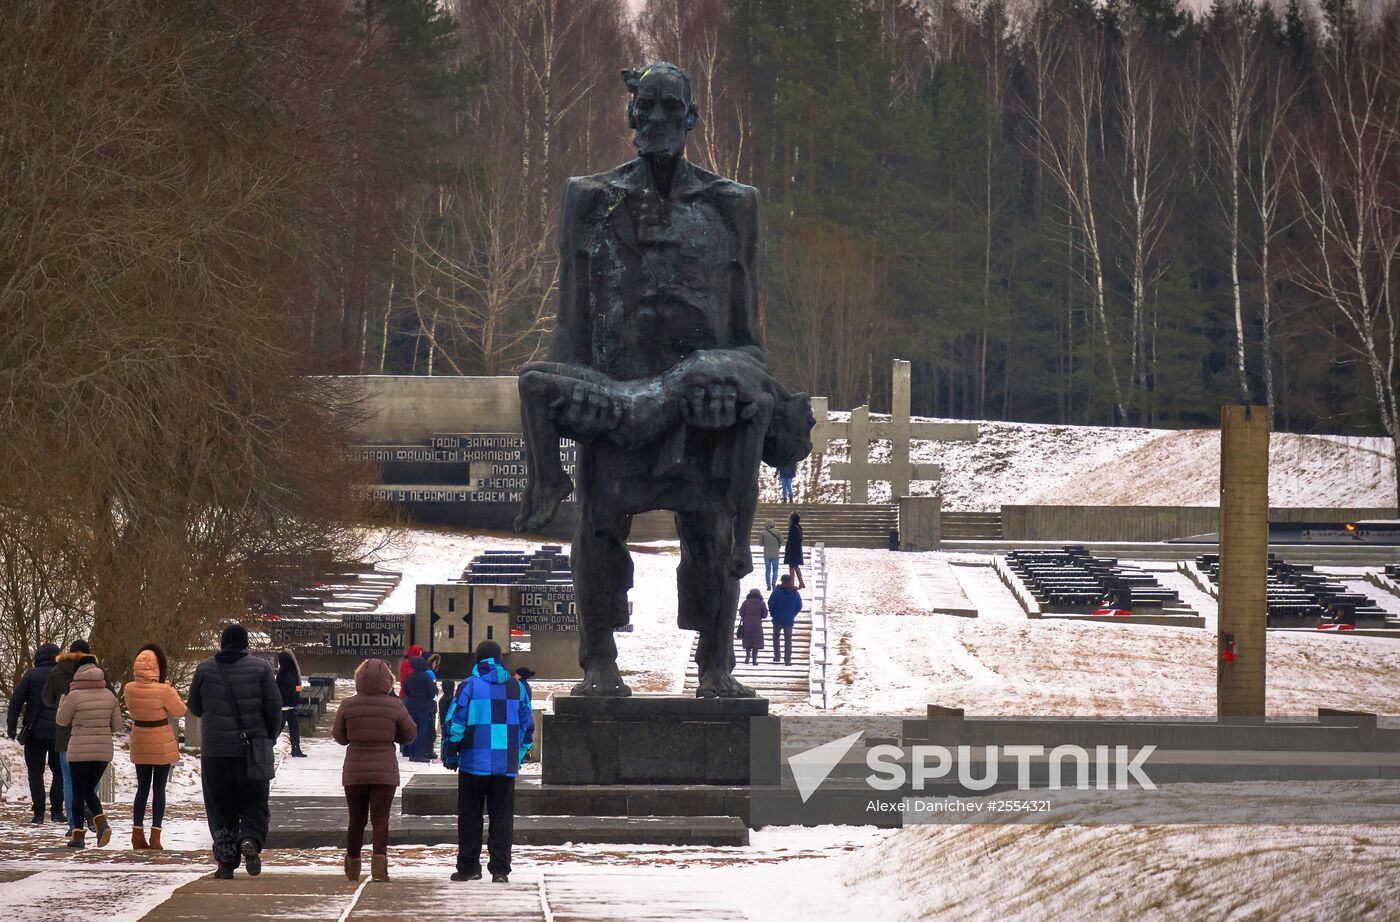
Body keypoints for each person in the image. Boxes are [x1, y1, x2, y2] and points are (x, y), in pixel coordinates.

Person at [188, 623, 281, 879]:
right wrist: (267, 739)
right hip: (252, 750)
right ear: (246, 643)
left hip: (215, 752)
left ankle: (226, 863)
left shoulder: (205, 668)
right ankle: (250, 838)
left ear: (222, 643)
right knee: (255, 801)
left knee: (220, 806)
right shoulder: (261, 669)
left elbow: (195, 706)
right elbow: (274, 710)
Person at [444, 640, 534, 884]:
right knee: (502, 817)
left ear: (478, 659)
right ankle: (500, 869)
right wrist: (517, 755)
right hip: (505, 765)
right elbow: (527, 727)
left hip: (474, 762)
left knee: (470, 816)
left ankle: (468, 867)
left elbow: (455, 723)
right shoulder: (517, 687)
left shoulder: (469, 686)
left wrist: (451, 752)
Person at [332, 658, 417, 883]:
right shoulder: (394, 705)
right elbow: (409, 734)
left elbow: (340, 737)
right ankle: (379, 866)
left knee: (355, 820)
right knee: (380, 820)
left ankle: (352, 866)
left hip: (354, 771)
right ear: (388, 681)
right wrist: (390, 736)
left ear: (358, 678)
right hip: (384, 771)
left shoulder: (347, 705)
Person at [43, 639, 110, 838]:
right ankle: (90, 809)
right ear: (89, 654)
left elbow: (46, 699)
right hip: (95, 735)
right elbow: (111, 699)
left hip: (66, 736)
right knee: (90, 783)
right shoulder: (100, 673)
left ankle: (74, 825)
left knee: (69, 782)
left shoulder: (56, 672)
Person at [123, 645, 187, 850]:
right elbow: (180, 711)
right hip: (161, 741)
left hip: (140, 739)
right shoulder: (164, 690)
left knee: (142, 788)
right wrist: (169, 688)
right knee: (159, 789)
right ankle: (156, 836)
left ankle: (136, 833)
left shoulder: (128, 688)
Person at [55, 660, 123, 848]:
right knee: (88, 789)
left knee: (79, 792)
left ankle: (78, 836)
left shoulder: (73, 695)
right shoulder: (110, 695)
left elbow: (62, 721)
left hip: (79, 750)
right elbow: (118, 725)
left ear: (78, 674)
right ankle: (101, 825)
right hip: (103, 751)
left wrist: (62, 702)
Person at [6, 643, 63, 824]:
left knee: (35, 773)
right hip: (59, 733)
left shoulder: (30, 675)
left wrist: (11, 726)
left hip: (34, 732)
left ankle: (38, 813)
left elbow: (16, 701)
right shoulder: (64, 676)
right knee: (59, 772)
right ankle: (56, 811)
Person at [400, 654, 437, 763]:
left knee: (412, 729)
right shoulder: (426, 677)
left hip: (411, 706)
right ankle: (419, 753)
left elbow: (405, 691)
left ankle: (410, 752)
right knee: (422, 730)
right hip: (423, 706)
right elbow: (432, 692)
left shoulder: (408, 677)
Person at [275, 651, 307, 757]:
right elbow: (289, 690)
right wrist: (297, 693)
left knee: (293, 727)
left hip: (288, 706)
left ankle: (296, 749)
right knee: (279, 729)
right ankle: (267, 747)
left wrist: (298, 690)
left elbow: (294, 688)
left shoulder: (284, 672)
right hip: (285, 706)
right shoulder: (287, 673)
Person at [767, 574, 803, 667]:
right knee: (788, 640)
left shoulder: (777, 591)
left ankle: (777, 656)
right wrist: (793, 614)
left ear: (782, 581)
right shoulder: (795, 592)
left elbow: (770, 603)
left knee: (776, 637)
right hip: (789, 620)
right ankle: (787, 660)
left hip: (777, 618)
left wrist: (773, 613)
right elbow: (799, 605)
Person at [737, 589, 767, 666]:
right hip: (757, 625)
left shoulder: (746, 602)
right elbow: (764, 615)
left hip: (747, 625)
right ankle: (754, 659)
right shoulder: (762, 603)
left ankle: (747, 656)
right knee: (756, 642)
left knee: (748, 640)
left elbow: (741, 613)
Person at [785, 512, 805, 589]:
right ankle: (801, 582)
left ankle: (792, 583)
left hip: (793, 550)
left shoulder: (793, 528)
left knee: (792, 568)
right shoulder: (798, 527)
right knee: (796, 567)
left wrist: (788, 549)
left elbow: (791, 540)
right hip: (796, 550)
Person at [760, 520, 783, 590]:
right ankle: (774, 581)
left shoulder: (763, 533)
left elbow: (760, 544)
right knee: (775, 569)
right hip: (775, 554)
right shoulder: (778, 532)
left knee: (767, 570)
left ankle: (768, 585)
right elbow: (782, 541)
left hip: (767, 554)